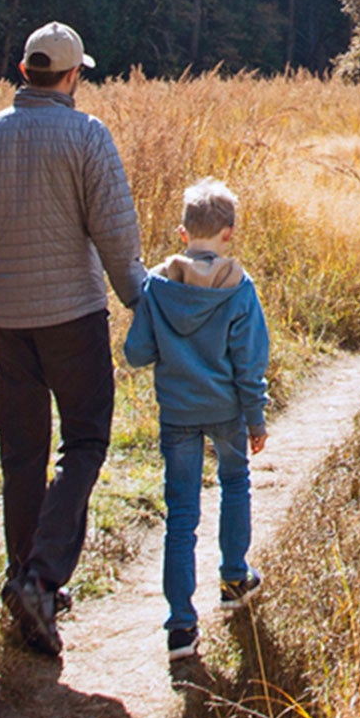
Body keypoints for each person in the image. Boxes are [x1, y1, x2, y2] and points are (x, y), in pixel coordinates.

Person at [0, 22, 146, 658]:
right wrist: (144, 304)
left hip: (8, 323)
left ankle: (22, 581)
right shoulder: (87, 136)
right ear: (73, 75)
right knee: (85, 442)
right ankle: (41, 577)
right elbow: (116, 235)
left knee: (21, 453)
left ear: (26, 72)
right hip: (74, 319)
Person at [122, 177, 272, 661]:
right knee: (234, 485)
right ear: (229, 234)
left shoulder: (157, 288)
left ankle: (181, 627)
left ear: (183, 234)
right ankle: (233, 578)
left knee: (180, 515)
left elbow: (137, 353)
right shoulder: (239, 290)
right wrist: (256, 419)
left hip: (178, 415)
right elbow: (250, 364)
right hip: (227, 412)